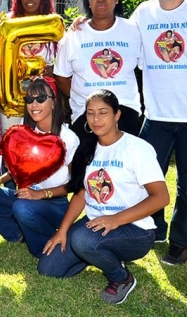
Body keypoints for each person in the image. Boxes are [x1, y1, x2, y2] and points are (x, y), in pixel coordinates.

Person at [38, 89, 169, 305]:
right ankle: (97, 252)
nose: (96, 119)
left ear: (117, 115)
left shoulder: (137, 148)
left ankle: (122, 277)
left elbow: (161, 198)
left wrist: (115, 219)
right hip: (95, 225)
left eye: (103, 112)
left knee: (82, 240)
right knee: (49, 268)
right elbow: (81, 194)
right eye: (90, 113)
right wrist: (62, 232)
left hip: (134, 229)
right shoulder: (87, 149)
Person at [0, 77, 78, 257]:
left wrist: (41, 194)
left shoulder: (68, 138)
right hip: (26, 195)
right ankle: (18, 234)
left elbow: (76, 185)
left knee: (22, 208)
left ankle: (44, 248)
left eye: (40, 99)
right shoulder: (24, 132)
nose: (34, 104)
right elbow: (21, 168)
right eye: (29, 99)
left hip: (54, 203)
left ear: (54, 103)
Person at [55, 0, 142, 142]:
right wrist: (83, 95)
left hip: (125, 111)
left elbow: (147, 67)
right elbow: (61, 75)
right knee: (86, 166)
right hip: (85, 114)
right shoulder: (75, 34)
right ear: (88, 1)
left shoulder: (133, 30)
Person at [0, 0, 58, 132]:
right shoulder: (8, 23)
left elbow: (63, 59)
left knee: (39, 139)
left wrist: (53, 70)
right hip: (10, 95)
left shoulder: (50, 23)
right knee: (11, 138)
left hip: (41, 95)